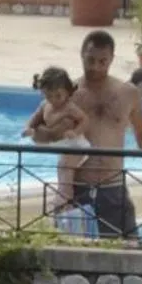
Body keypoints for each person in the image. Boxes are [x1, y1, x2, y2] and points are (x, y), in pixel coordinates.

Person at [69, 30, 142, 240]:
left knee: (129, 249)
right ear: (82, 55)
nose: (95, 67)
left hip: (113, 186)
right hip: (79, 186)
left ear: (111, 60)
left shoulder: (127, 93)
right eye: (90, 60)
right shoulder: (69, 94)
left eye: (102, 61)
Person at [26, 65, 91, 208]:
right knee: (61, 167)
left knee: (66, 166)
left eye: (58, 95)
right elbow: (35, 118)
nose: (54, 100)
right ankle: (63, 195)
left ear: (68, 92)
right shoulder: (45, 105)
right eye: (49, 96)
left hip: (77, 144)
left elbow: (85, 120)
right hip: (63, 145)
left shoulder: (69, 107)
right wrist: (29, 128)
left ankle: (65, 197)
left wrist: (76, 131)